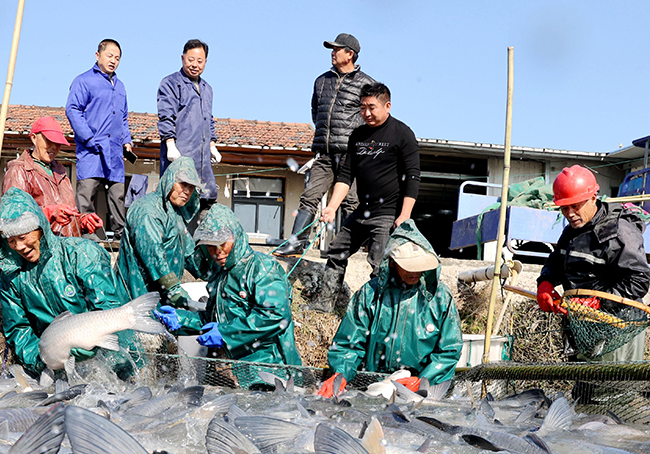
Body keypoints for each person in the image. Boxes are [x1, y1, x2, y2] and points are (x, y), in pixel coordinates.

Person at [154, 204, 301, 388]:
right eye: (211, 246)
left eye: (223, 244)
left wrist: (225, 334)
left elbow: (276, 317)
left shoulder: (262, 268)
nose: (218, 252)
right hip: (238, 371)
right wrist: (181, 320)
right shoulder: (220, 273)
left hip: (273, 369)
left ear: (236, 237)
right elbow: (211, 318)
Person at [0, 187, 132, 377]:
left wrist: (91, 341)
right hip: (56, 363)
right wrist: (44, 360)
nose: (19, 246)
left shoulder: (81, 254)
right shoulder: (11, 278)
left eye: (23, 237)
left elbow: (107, 307)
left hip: (109, 355)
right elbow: (19, 330)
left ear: (40, 228)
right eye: (11, 240)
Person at [311, 82, 421, 313]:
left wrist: (405, 215)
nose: (367, 113)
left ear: (387, 106)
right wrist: (331, 207)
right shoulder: (358, 135)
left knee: (379, 265)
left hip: (387, 214)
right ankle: (323, 307)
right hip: (362, 211)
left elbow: (413, 177)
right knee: (336, 252)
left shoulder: (402, 133)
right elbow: (346, 175)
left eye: (371, 107)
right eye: (362, 108)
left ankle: (380, 313)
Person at [319, 222, 462, 397]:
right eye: (408, 266)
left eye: (420, 266)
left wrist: (424, 379)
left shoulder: (440, 298)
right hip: (376, 385)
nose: (415, 272)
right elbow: (348, 344)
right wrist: (340, 374)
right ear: (392, 263)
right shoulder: (370, 294)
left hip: (422, 387)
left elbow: (449, 351)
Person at [273, 33, 374, 258]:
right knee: (309, 195)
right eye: (332, 49)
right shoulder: (321, 81)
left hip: (352, 155)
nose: (332, 52)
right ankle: (296, 243)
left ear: (350, 54)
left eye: (337, 49)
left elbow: (372, 119)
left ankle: (348, 247)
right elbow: (316, 112)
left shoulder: (367, 84)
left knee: (351, 201)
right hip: (325, 152)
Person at [537, 165, 650, 362]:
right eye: (564, 208)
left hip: (617, 327)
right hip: (583, 325)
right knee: (583, 386)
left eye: (575, 206)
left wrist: (600, 302)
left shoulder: (619, 231)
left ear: (593, 198)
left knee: (612, 388)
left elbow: (638, 280)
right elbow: (557, 260)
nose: (570, 213)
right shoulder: (572, 230)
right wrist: (545, 282)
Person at [115, 156, 209, 327]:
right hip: (135, 299)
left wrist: (218, 272)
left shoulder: (176, 215)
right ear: (169, 180)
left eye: (191, 187)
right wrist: (179, 295)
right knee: (137, 349)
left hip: (162, 303)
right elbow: (154, 259)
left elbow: (190, 255)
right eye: (182, 184)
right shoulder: (147, 211)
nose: (187, 191)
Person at [66, 38, 133, 241]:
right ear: (98, 55)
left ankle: (121, 236)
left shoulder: (120, 86)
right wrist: (88, 137)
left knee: (118, 195)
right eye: (109, 55)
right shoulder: (84, 81)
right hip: (91, 149)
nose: (113, 60)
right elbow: (73, 109)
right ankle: (87, 234)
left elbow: (123, 117)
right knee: (86, 193)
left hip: (114, 150)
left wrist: (127, 141)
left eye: (117, 58)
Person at [2, 116, 103, 238]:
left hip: (65, 248)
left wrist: (82, 221)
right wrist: (48, 213)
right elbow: (13, 217)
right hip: (39, 250)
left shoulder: (61, 173)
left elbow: (68, 217)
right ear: (34, 138)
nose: (54, 147)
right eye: (49, 141)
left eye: (58, 143)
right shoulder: (19, 171)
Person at [157, 39, 220, 207]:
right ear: (182, 58)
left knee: (207, 199)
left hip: (202, 159)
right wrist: (170, 143)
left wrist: (212, 145)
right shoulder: (170, 83)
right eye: (191, 59)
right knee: (178, 202)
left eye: (200, 61)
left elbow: (209, 119)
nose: (195, 65)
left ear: (205, 62)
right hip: (180, 155)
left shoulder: (207, 89)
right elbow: (166, 115)